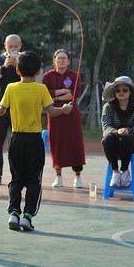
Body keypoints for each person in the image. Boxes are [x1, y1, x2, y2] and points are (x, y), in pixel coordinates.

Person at [0, 51, 72, 232]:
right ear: (38, 72)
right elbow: (51, 112)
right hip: (34, 140)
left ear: (18, 71)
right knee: (33, 180)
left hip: (16, 139)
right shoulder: (41, 89)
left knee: (16, 179)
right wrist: (64, 109)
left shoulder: (11, 88)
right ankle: (27, 216)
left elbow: (2, 111)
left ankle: (14, 212)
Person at [42, 49, 86, 188]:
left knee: (75, 143)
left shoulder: (74, 75)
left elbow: (73, 94)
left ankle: (77, 176)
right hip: (54, 113)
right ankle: (58, 176)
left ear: (68, 61)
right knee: (56, 142)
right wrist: (60, 92)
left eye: (64, 58)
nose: (61, 60)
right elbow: (44, 93)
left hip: (71, 114)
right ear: (54, 61)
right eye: (59, 58)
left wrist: (54, 96)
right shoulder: (48, 76)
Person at [0, 34, 23, 185]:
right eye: (10, 46)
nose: (13, 49)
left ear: (20, 46)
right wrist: (4, 67)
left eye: (16, 46)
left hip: (19, 108)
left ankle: (19, 174)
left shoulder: (24, 59)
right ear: (5, 46)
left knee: (18, 142)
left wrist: (18, 66)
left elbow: (31, 77)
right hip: (0, 107)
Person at [101, 76, 134, 188]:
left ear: (130, 92)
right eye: (118, 90)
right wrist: (117, 131)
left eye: (125, 90)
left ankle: (125, 170)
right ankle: (115, 171)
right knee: (108, 138)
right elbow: (106, 126)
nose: (121, 92)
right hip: (114, 143)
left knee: (125, 139)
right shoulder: (108, 107)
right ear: (115, 92)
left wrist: (127, 131)